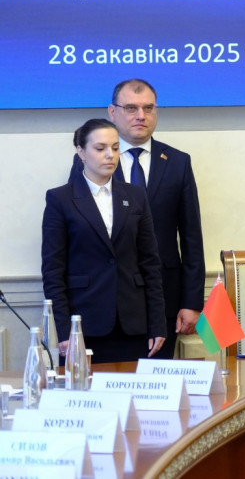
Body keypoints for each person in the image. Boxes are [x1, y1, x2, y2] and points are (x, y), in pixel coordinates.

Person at [70, 79, 205, 359]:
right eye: (131, 108)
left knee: (157, 381)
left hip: (164, 300)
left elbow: (191, 236)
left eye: (148, 108)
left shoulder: (178, 162)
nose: (141, 116)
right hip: (105, 300)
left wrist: (192, 301)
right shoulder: (89, 160)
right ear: (112, 112)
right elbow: (78, 232)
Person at [42, 119, 166, 363]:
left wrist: (157, 324)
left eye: (115, 148)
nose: (110, 155)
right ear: (81, 152)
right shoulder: (60, 199)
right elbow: (53, 271)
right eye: (100, 148)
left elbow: (151, 264)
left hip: (133, 323)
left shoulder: (135, 195)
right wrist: (63, 331)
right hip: (84, 325)